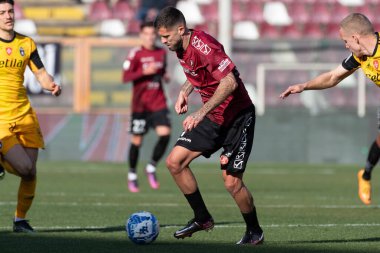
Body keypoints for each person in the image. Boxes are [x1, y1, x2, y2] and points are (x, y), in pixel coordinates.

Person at [154, 7, 264, 245]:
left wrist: (200, 112)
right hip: (214, 118)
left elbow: (229, 81)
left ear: (180, 30)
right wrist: (184, 91)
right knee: (175, 162)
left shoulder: (204, 45)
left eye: (166, 36)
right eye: (160, 37)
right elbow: (199, 73)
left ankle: (254, 231)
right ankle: (202, 218)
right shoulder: (180, 47)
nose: (163, 42)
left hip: (238, 118)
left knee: (232, 183)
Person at [280, 13, 379, 205]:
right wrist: (304, 86)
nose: (345, 46)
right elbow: (333, 77)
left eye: (345, 41)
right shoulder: (360, 56)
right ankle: (365, 174)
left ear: (355, 38)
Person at [0, 0, 61, 232]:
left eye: (10, 11)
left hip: (25, 114)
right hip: (1, 119)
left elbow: (41, 73)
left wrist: (51, 86)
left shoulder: (26, 43)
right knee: (25, 168)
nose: (7, 16)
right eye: (2, 13)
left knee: (30, 172)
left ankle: (20, 220)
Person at [122, 21, 171, 193]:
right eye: (147, 34)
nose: (150, 37)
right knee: (137, 141)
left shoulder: (161, 52)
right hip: (140, 106)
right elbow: (125, 76)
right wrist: (144, 72)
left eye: (153, 34)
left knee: (165, 134)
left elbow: (162, 70)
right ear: (141, 35)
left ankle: (151, 166)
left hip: (158, 102)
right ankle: (132, 174)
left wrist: (165, 76)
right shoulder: (135, 54)